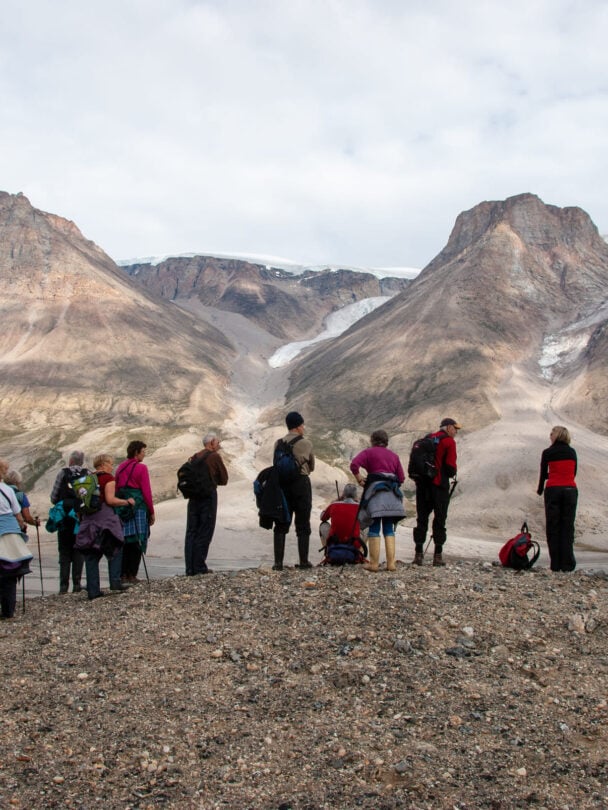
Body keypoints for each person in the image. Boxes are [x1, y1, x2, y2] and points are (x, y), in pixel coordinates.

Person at [75, 454, 135, 599]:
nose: (112, 466)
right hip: (105, 519)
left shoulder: (84, 480)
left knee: (91, 554)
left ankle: (93, 590)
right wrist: (127, 502)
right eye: (110, 463)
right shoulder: (108, 479)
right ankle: (115, 582)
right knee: (115, 546)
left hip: (88, 520)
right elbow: (110, 500)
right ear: (102, 464)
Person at [350, 430, 405, 572]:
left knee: (374, 526)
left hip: (375, 493)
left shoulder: (369, 452)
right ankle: (391, 564)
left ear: (372, 440)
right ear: (386, 441)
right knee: (388, 527)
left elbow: (354, 464)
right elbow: (402, 478)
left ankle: (374, 564)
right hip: (392, 494)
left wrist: (360, 479)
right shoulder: (394, 456)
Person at [412, 417, 460, 567]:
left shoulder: (428, 439)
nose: (456, 431)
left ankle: (418, 554)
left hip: (422, 487)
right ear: (448, 427)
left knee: (421, 519)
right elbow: (451, 467)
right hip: (439, 486)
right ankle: (437, 556)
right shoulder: (448, 442)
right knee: (439, 520)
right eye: (455, 428)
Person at [272, 411, 315, 571]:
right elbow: (311, 466)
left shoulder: (278, 443)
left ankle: (278, 563)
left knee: (281, 523)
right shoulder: (306, 443)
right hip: (301, 484)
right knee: (303, 523)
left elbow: (275, 464)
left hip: (282, 485)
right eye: (302, 424)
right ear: (298, 426)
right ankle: (303, 561)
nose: (303, 427)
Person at [184, 433, 229, 575]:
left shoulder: (195, 456)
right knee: (205, 530)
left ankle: (190, 568)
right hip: (208, 496)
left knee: (191, 531)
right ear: (211, 443)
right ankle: (199, 567)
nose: (219, 443)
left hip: (193, 498)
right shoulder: (214, 456)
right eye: (217, 441)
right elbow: (224, 479)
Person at [537, 425, 578, 572]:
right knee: (567, 526)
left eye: (552, 433)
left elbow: (543, 474)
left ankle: (555, 564)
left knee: (553, 526)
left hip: (554, 490)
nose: (550, 436)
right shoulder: (572, 452)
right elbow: (573, 472)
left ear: (557, 436)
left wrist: (540, 489)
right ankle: (567, 564)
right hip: (570, 490)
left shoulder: (548, 452)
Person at [115, 440, 155, 582]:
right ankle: (132, 573)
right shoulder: (141, 468)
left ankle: (122, 573)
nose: (144, 454)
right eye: (143, 451)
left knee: (126, 539)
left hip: (123, 506)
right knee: (138, 539)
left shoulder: (120, 467)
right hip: (138, 506)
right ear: (136, 452)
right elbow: (146, 490)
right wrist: (151, 511)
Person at [50, 450, 87, 593]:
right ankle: (77, 584)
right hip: (80, 518)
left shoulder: (62, 473)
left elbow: (54, 497)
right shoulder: (87, 474)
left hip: (65, 518)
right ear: (82, 462)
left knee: (64, 552)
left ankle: (63, 586)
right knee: (79, 550)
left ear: (71, 461)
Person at [0, 459, 32, 619]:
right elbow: (18, 516)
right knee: (10, 572)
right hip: (11, 534)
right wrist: (22, 529)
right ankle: (8, 611)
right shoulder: (8, 490)